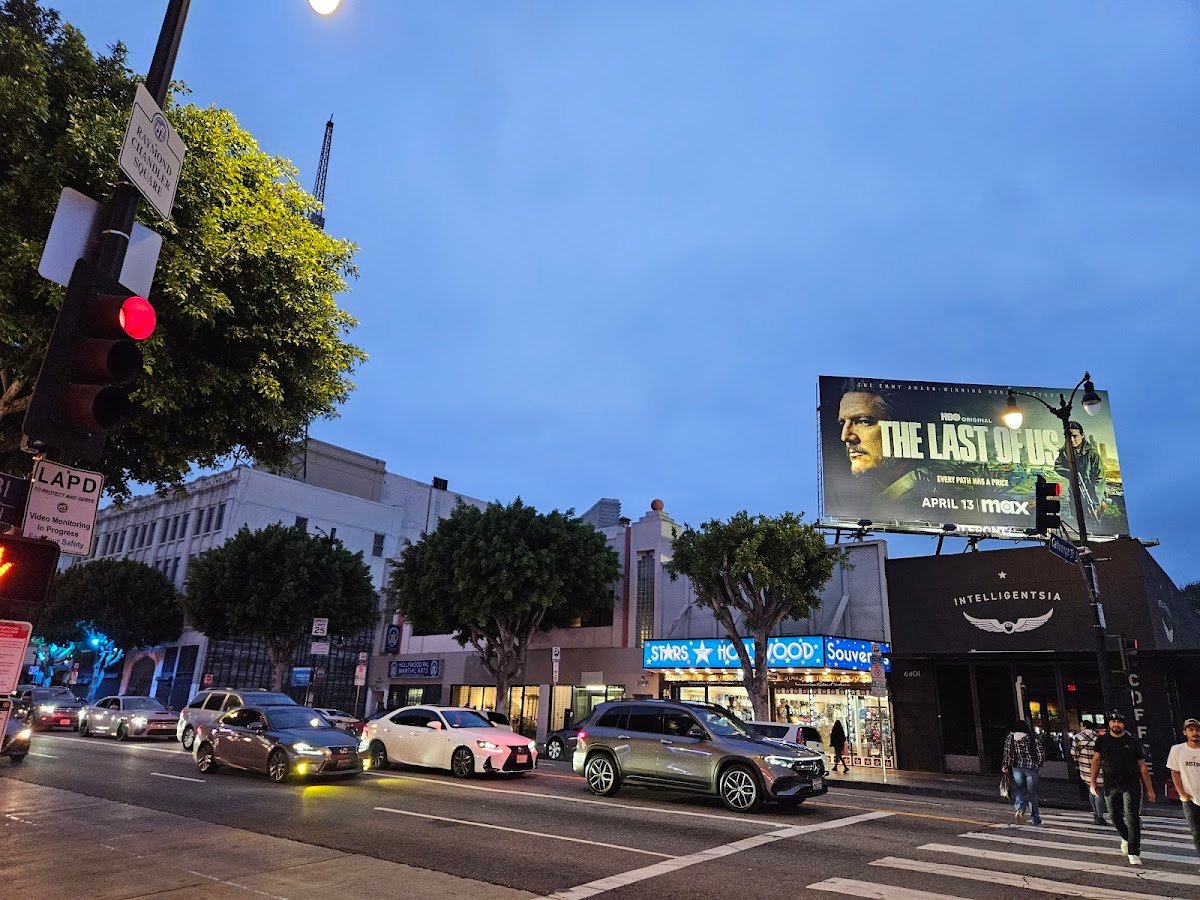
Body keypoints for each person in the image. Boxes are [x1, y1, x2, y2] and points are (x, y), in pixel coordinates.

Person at [1090, 711, 1156, 866]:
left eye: (1119, 722)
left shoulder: (1132, 741)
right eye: (1113, 722)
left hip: (1131, 784)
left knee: (1132, 818)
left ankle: (1134, 852)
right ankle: (1126, 837)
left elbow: (1142, 766)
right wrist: (1093, 782)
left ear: (1123, 724)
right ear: (1109, 724)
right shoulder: (1102, 740)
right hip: (1111, 784)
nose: (1116, 725)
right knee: (1114, 816)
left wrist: (1150, 789)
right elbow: (1096, 760)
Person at [1054, 421, 1108, 527]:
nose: (1072, 440)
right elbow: (1057, 466)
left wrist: (1096, 504)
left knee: (1095, 524)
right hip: (1075, 494)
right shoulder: (1066, 452)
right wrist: (1071, 473)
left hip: (1093, 494)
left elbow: (1100, 479)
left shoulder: (1092, 454)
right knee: (1077, 522)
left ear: (1082, 435)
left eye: (1075, 436)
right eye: (1069, 437)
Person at [1166, 717, 1200, 861]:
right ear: (1185, 732)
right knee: (1197, 832)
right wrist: (1181, 793)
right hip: (1190, 798)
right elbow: (1175, 772)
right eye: (1191, 730)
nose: (1195, 733)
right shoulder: (1177, 750)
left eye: (1198, 730)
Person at [1002, 719, 1044, 825]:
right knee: (1032, 793)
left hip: (1017, 768)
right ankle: (1035, 817)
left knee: (1020, 789)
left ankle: (1020, 808)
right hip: (1031, 768)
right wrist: (1038, 764)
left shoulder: (1010, 738)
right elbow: (1040, 754)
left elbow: (1007, 753)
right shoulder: (1032, 739)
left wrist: (1005, 765)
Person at [1070, 721, 1109, 825]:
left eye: (1081, 726)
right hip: (1098, 768)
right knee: (1099, 792)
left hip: (1085, 768)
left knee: (1091, 790)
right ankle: (1100, 816)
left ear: (1084, 726)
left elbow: (1073, 753)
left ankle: (1096, 814)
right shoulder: (1098, 737)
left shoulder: (1077, 737)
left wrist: (1079, 759)